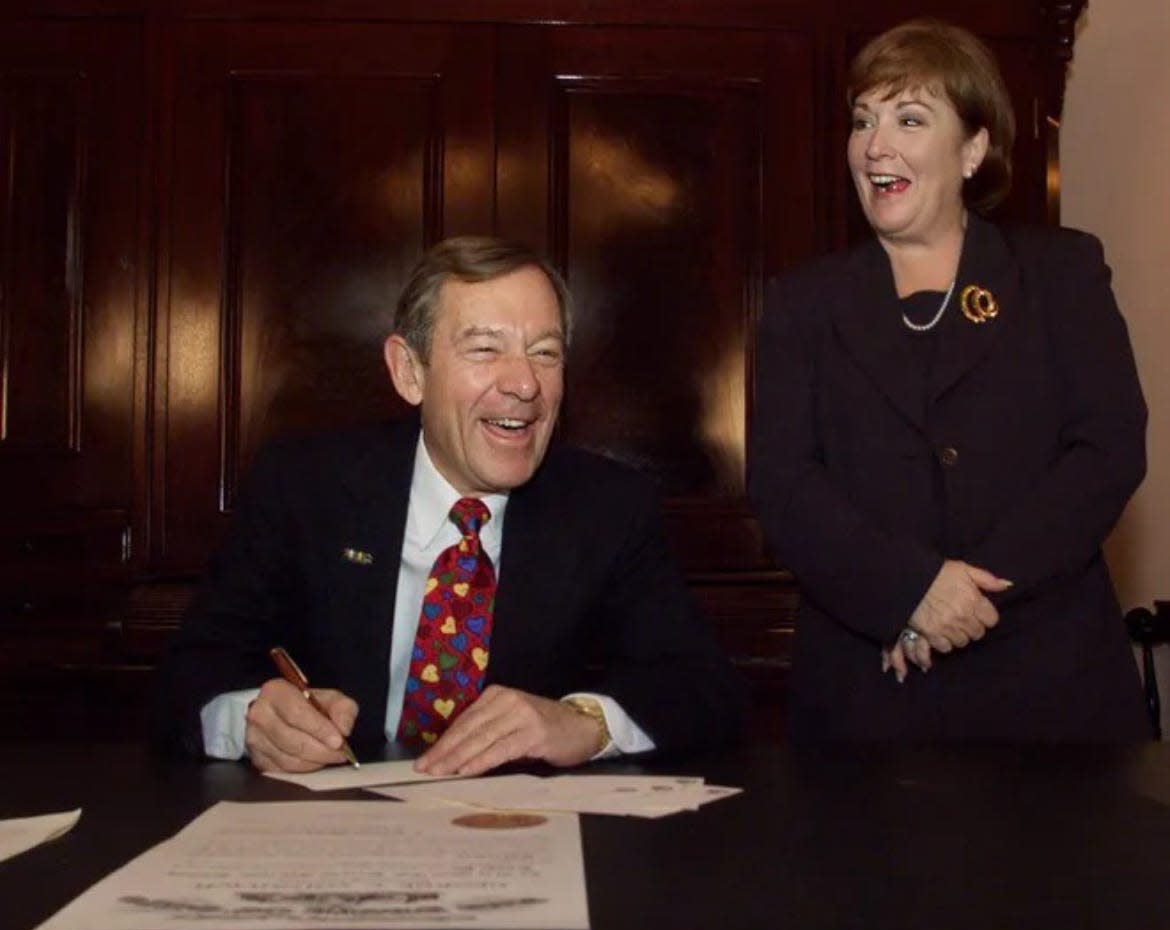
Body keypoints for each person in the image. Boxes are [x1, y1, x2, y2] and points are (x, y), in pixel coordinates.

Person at [157, 236, 744, 773]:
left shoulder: (607, 508)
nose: (524, 384)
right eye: (486, 349)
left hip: (526, 844)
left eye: (545, 353)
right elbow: (187, 676)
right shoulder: (305, 487)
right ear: (409, 371)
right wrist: (251, 719)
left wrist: (584, 723)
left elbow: (702, 688)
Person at [749, 19, 1150, 741]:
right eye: (863, 121)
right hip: (869, 698)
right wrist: (908, 592)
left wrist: (965, 593)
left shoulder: (1060, 274)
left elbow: (1108, 448)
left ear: (973, 148)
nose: (876, 145)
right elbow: (783, 485)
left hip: (1049, 687)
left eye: (909, 118)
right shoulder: (801, 304)